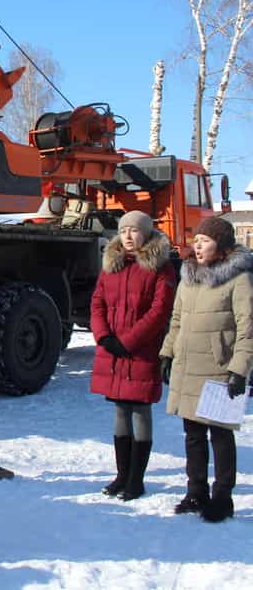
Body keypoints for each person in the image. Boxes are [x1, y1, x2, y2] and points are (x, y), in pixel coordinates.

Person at [160, 216, 253, 522]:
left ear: (222, 246)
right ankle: (195, 492)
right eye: (196, 240)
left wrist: (240, 369)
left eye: (205, 241)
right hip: (189, 368)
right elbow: (177, 320)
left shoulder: (238, 279)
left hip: (219, 370)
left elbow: (247, 329)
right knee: (193, 435)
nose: (197, 246)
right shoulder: (189, 277)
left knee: (220, 436)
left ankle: (222, 497)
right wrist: (167, 353)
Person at [89, 210, 177, 501]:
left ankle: (136, 480)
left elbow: (158, 312)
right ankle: (121, 475)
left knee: (139, 409)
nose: (128, 236)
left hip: (140, 350)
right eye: (124, 230)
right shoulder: (111, 265)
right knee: (119, 409)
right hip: (113, 349)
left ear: (146, 234)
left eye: (134, 231)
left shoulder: (160, 268)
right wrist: (103, 336)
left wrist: (127, 342)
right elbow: (98, 302)